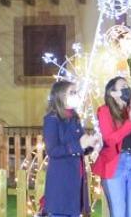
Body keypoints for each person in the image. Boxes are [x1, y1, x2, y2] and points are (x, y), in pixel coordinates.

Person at [92, 76, 131, 217]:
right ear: (113, 93)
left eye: (127, 86)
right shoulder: (104, 111)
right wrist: (130, 122)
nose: (127, 89)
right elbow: (110, 140)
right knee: (118, 212)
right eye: (123, 86)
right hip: (115, 164)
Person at [42, 80, 99, 217]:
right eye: (72, 92)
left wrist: (92, 144)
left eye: (76, 92)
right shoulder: (51, 119)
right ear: (60, 95)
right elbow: (53, 150)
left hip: (76, 178)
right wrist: (80, 145)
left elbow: (81, 144)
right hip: (61, 180)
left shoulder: (74, 117)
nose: (76, 95)